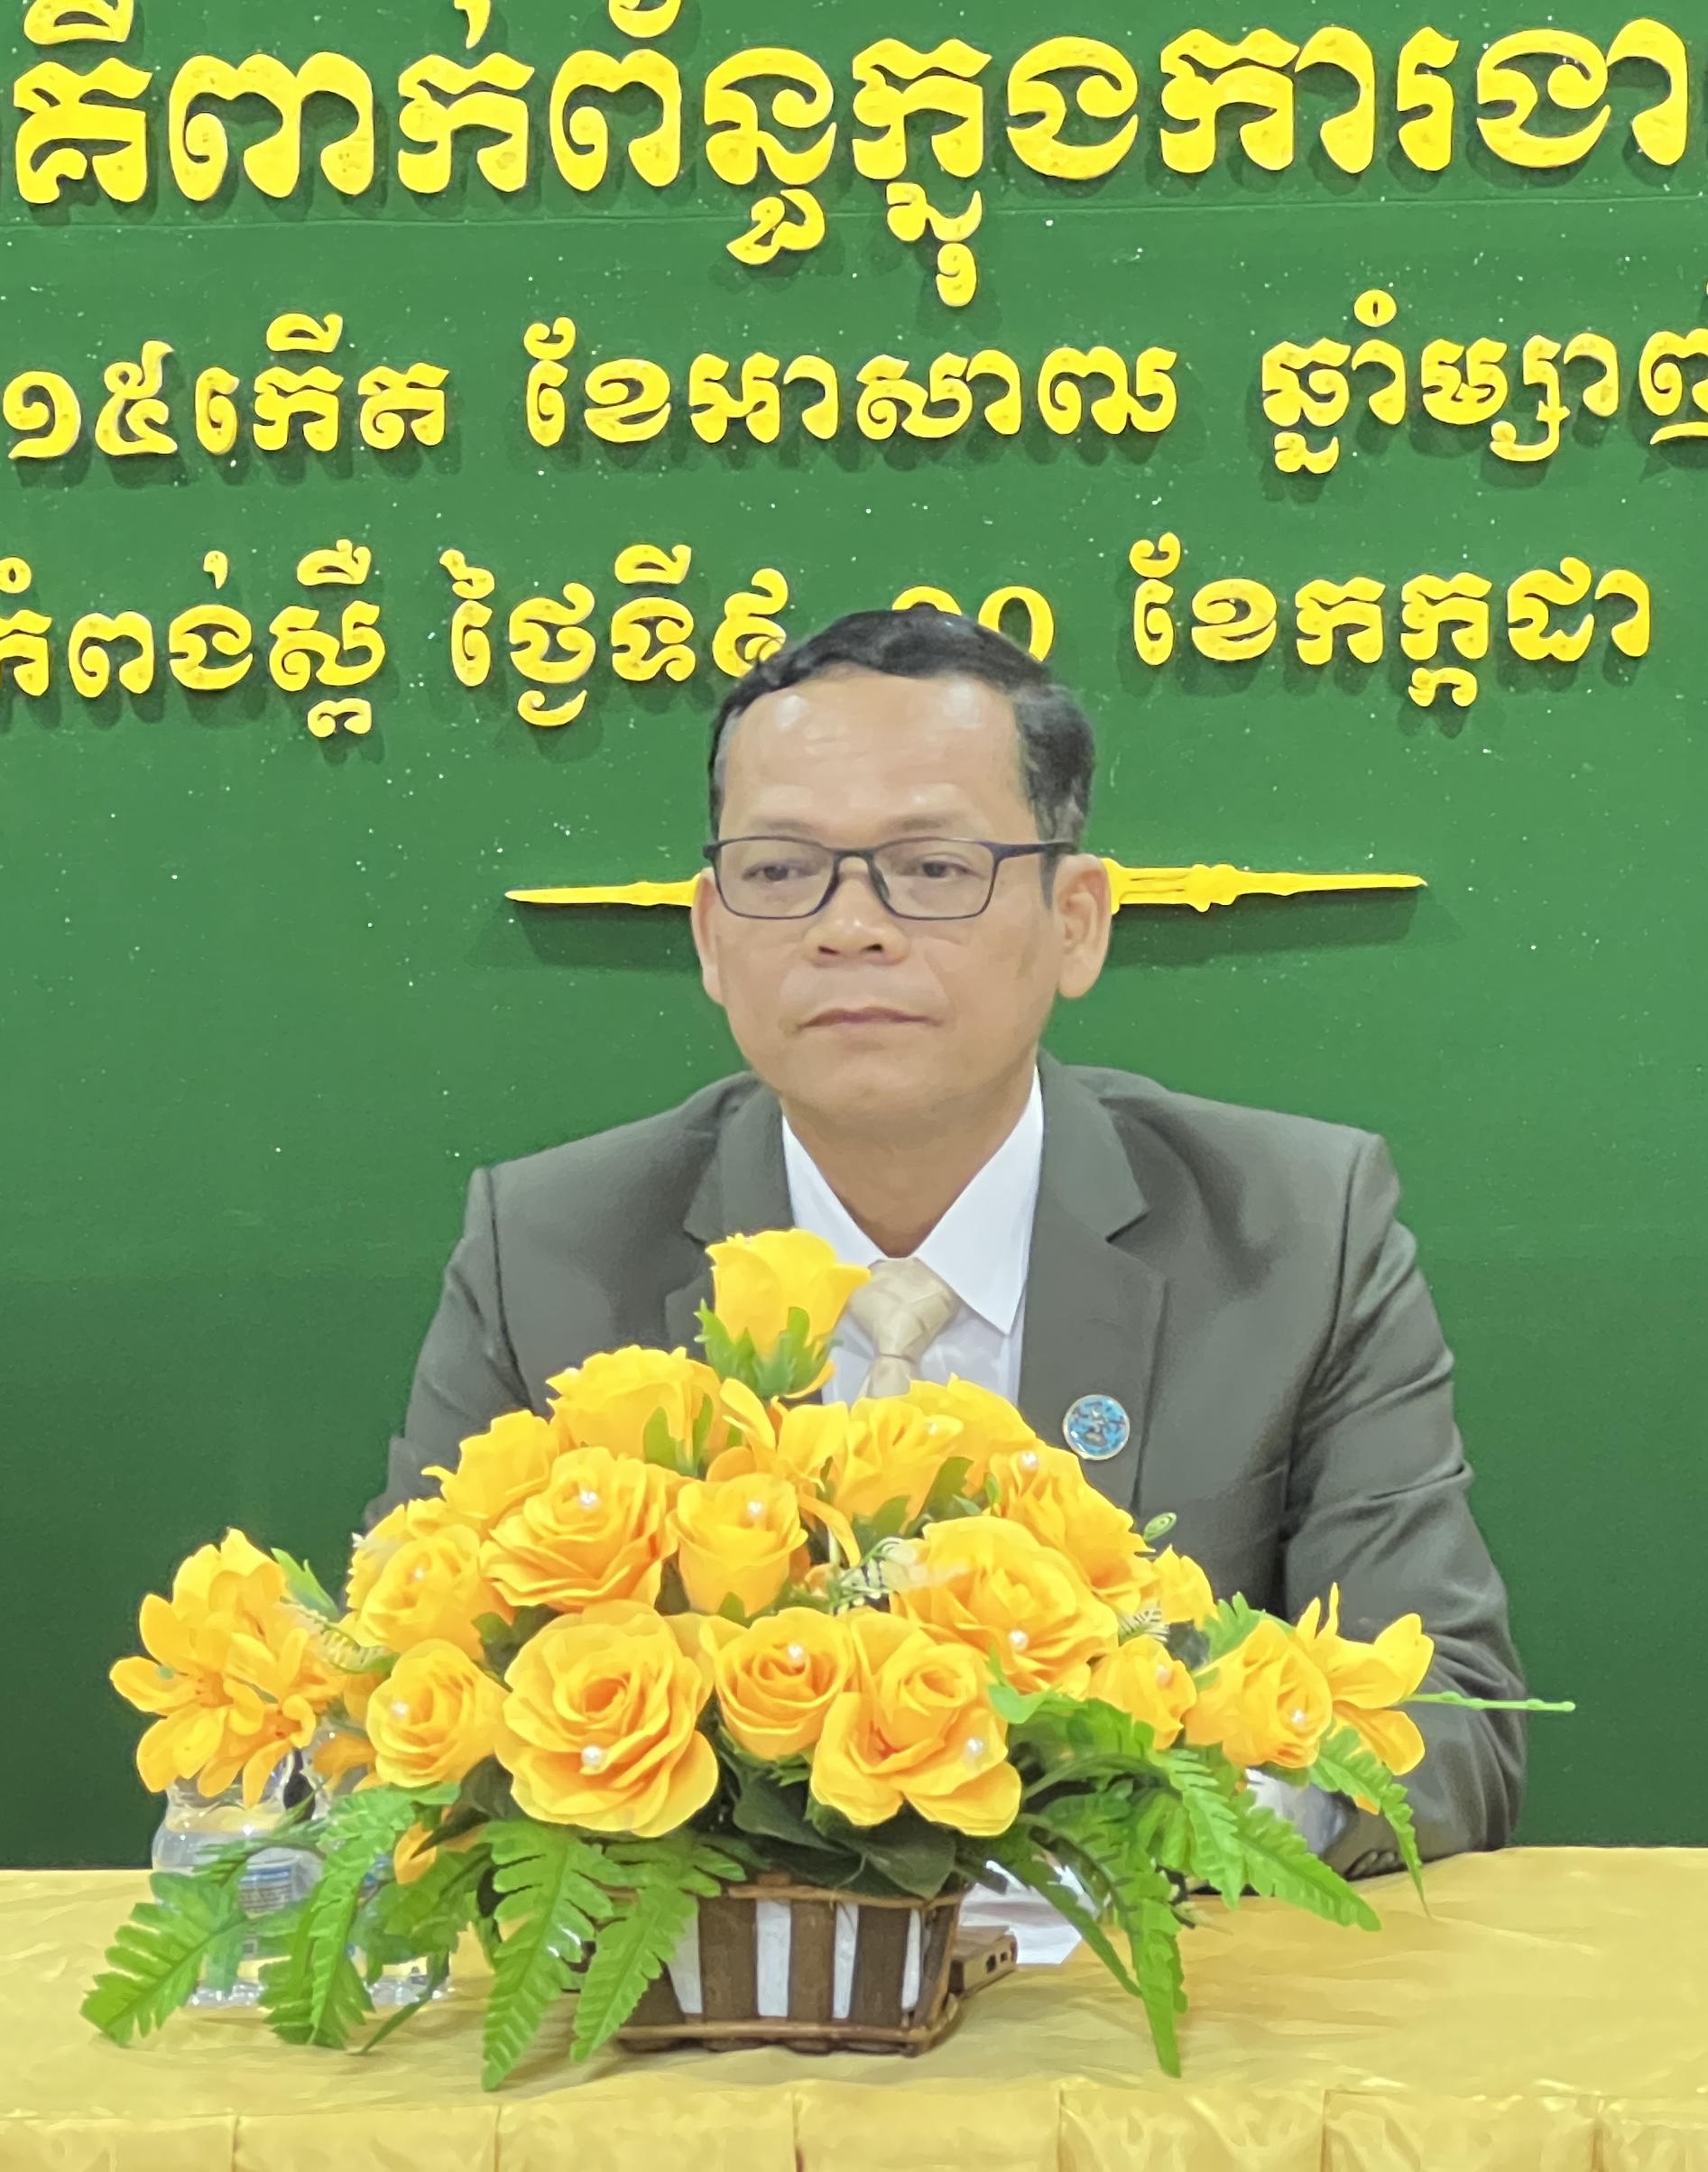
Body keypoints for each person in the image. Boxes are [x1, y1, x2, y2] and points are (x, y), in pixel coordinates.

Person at [373, 607, 1527, 1879]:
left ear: (1075, 921)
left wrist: (1148, 1830)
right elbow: (393, 1695)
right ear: (709, 934)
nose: (849, 926)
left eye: (931, 868)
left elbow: (1447, 1723)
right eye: (779, 871)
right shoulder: (551, 1249)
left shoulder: (1297, 1231)